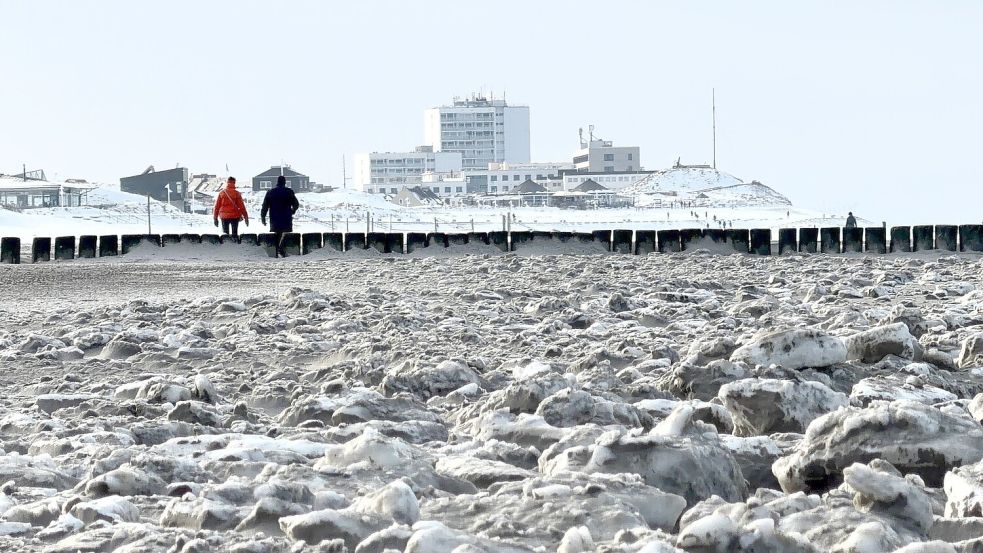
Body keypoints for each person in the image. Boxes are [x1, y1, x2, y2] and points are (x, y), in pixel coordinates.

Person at [261, 175, 300, 257]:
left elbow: (265, 206)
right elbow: (296, 204)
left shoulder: (270, 192)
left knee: (277, 234)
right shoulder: (289, 192)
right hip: (286, 217)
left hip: (274, 218)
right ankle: (283, 251)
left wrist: (263, 217)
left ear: (277, 182)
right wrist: (292, 211)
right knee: (286, 234)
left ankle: (275, 252)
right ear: (284, 182)